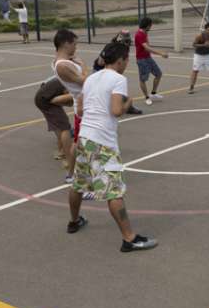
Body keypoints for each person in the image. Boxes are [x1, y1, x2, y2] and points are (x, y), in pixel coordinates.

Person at [68, 41, 158, 252]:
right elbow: (116, 110)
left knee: (78, 183)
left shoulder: (91, 78)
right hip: (102, 141)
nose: (127, 63)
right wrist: (128, 103)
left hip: (84, 138)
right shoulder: (118, 79)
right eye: (126, 59)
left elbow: (79, 109)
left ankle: (74, 221)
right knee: (114, 191)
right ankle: (129, 238)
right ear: (120, 61)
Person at [52, 29, 87, 183]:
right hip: (82, 105)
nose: (76, 47)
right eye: (74, 44)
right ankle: (72, 174)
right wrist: (84, 66)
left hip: (85, 102)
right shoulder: (62, 65)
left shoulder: (65, 61)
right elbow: (85, 81)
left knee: (82, 142)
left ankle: (74, 174)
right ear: (66, 43)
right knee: (79, 143)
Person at [94, 30, 143, 115]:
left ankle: (126, 106)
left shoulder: (124, 49)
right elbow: (100, 62)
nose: (127, 43)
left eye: (128, 41)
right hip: (100, 70)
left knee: (117, 87)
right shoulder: (110, 47)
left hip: (113, 71)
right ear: (120, 39)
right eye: (125, 40)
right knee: (102, 90)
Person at [34, 77, 73, 166]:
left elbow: (43, 84)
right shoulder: (74, 84)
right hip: (46, 101)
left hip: (41, 98)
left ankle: (61, 151)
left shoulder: (61, 76)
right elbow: (65, 98)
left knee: (59, 125)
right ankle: (66, 157)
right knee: (65, 127)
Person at [134, 17, 169, 106]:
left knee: (158, 74)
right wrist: (161, 53)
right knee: (143, 79)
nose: (151, 27)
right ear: (147, 25)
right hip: (141, 60)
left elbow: (147, 46)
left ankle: (153, 94)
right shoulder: (139, 34)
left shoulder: (145, 33)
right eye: (150, 25)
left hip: (148, 58)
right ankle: (146, 97)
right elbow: (147, 47)